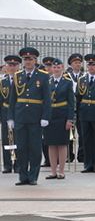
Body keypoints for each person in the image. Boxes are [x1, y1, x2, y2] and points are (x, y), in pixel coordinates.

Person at [7, 47, 51, 186]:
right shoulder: (18, 75)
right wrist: (10, 117)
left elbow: (47, 99)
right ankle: (22, 176)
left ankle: (33, 176)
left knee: (34, 148)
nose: (28, 62)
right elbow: (12, 98)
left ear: (35, 60)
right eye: (25, 59)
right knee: (21, 147)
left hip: (35, 117)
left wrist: (45, 116)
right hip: (20, 116)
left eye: (30, 59)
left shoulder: (43, 76)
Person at [44, 58, 75, 180]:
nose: (56, 69)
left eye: (58, 67)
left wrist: (70, 119)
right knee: (51, 144)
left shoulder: (67, 82)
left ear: (62, 68)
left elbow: (71, 102)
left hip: (62, 115)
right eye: (54, 67)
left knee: (62, 144)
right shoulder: (47, 81)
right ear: (52, 69)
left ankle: (61, 171)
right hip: (50, 116)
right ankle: (53, 171)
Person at [76, 54, 95, 173]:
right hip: (84, 113)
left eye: (93, 65)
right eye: (89, 64)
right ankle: (87, 163)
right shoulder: (82, 80)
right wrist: (78, 114)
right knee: (86, 139)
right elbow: (78, 98)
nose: (91, 67)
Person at [1, 55, 21, 173]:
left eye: (14, 65)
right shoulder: (2, 82)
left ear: (18, 66)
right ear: (6, 67)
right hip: (5, 111)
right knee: (6, 139)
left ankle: (18, 164)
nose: (12, 67)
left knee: (18, 139)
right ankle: (7, 164)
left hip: (18, 112)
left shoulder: (21, 80)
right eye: (9, 65)